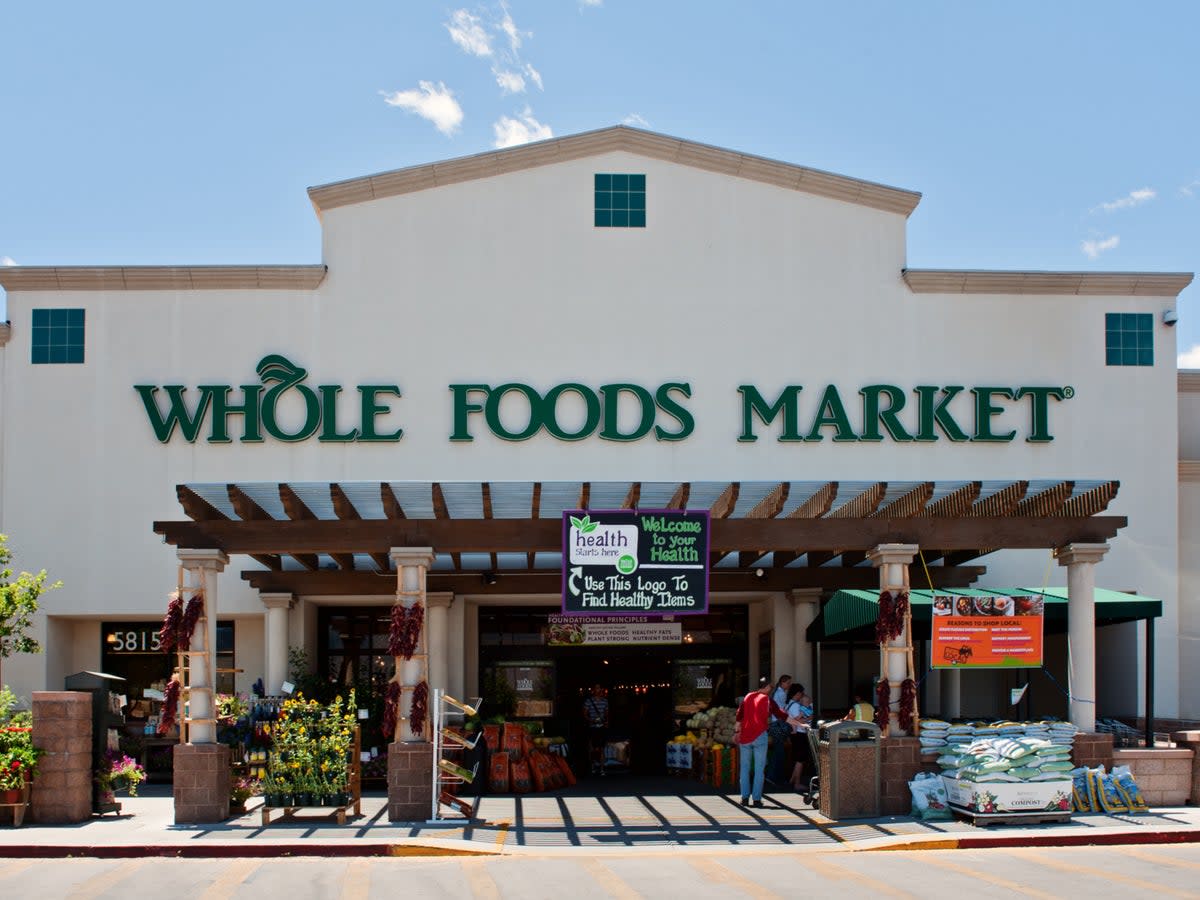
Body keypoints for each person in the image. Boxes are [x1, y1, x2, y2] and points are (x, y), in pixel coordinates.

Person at [736, 676, 791, 808]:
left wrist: (737, 731)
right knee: (759, 769)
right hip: (760, 735)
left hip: (745, 736)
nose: (771, 690)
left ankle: (744, 798)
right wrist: (798, 724)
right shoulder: (768, 700)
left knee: (744, 768)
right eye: (770, 687)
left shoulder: (748, 697)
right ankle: (756, 799)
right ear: (766, 687)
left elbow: (739, 716)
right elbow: (781, 715)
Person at [785, 683, 814, 792]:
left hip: (795, 734)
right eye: (801, 693)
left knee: (798, 758)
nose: (802, 696)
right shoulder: (796, 705)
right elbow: (798, 720)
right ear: (797, 693)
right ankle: (797, 783)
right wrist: (810, 718)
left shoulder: (789, 704)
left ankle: (793, 779)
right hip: (800, 733)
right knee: (800, 759)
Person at [767, 674, 793, 784]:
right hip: (778, 724)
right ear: (783, 683)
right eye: (788, 683)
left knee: (778, 751)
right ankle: (774, 776)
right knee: (779, 752)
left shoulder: (777, 692)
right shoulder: (781, 694)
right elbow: (783, 710)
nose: (789, 685)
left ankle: (773, 776)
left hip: (774, 724)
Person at [583, 684, 610, 776]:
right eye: (596, 688)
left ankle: (602, 769)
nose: (598, 690)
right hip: (592, 727)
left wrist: (606, 722)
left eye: (599, 688)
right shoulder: (588, 701)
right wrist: (591, 720)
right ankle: (593, 766)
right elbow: (585, 714)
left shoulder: (605, 701)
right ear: (593, 690)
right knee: (592, 748)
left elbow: (607, 714)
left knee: (602, 748)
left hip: (601, 727)